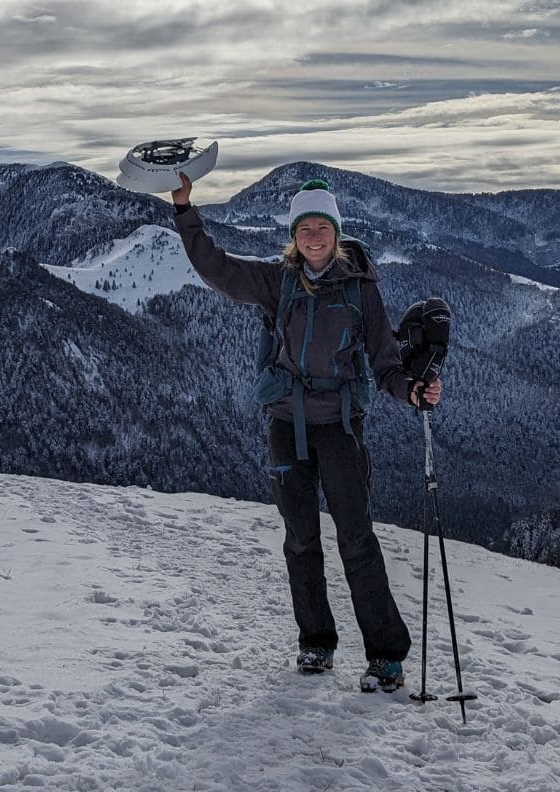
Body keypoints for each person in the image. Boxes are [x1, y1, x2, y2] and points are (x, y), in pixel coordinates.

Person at [171, 173, 441, 691]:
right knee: (300, 541)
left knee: (357, 541)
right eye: (305, 227)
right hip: (286, 428)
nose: (314, 236)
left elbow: (385, 363)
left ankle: (387, 655)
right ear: (293, 235)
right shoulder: (279, 282)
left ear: (336, 232)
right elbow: (217, 269)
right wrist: (185, 210)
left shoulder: (361, 290)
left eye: (322, 226)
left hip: (341, 430)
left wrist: (411, 390)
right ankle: (316, 645)